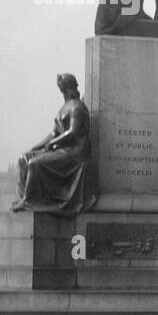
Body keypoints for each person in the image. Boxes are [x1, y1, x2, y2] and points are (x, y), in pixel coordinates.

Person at [13, 73, 97, 214]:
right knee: (24, 158)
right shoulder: (64, 108)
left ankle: (29, 201)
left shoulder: (78, 106)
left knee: (34, 163)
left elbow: (73, 131)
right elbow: (54, 133)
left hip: (75, 152)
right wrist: (38, 146)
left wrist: (53, 142)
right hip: (63, 148)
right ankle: (24, 198)